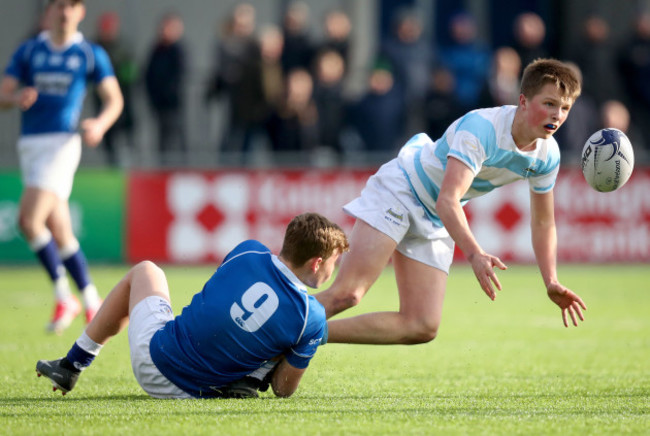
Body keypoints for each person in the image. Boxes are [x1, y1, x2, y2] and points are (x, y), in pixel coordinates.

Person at [315, 59, 587, 349]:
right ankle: (265, 330)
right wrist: (475, 254)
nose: (557, 115)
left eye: (565, 108)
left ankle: (309, 335)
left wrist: (551, 280)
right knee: (348, 294)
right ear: (523, 100)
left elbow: (543, 222)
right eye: (549, 104)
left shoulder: (548, 155)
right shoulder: (482, 128)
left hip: (434, 217)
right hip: (403, 189)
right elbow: (449, 199)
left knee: (421, 325)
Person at [36, 213, 349, 399]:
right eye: (334, 262)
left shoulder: (248, 250)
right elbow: (283, 389)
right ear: (316, 261)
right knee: (284, 337)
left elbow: (219, 300)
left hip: (154, 362)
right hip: (201, 392)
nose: (332, 270)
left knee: (146, 271)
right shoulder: (313, 316)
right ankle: (248, 376)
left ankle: (72, 365)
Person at [0, 0, 123, 334]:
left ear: (81, 11)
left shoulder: (88, 53)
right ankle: (92, 299)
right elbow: (3, 94)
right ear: (48, 11)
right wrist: (16, 98)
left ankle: (62, 295)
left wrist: (99, 124)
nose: (65, 11)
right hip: (31, 146)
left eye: (72, 5)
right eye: (59, 5)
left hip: (62, 144)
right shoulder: (29, 51)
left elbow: (115, 99)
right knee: (61, 231)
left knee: (28, 220)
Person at [144, 12, 187, 166]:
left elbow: (179, 77)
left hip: (174, 104)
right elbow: (148, 75)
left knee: (176, 138)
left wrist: (168, 94)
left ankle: (180, 167)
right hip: (159, 104)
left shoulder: (178, 51)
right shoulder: (156, 50)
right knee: (163, 140)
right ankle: (164, 167)